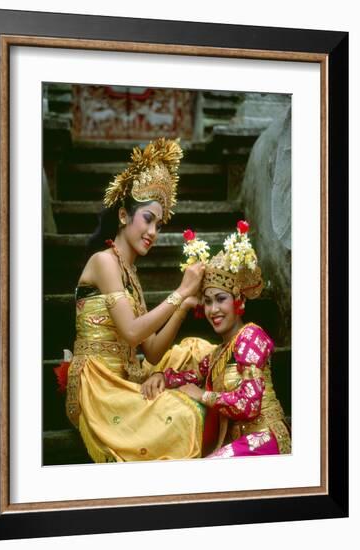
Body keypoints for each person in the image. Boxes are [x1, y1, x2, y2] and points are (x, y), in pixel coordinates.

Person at [65, 137, 212, 463]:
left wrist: (184, 305)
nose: (153, 231)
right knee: (184, 415)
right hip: (101, 384)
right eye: (148, 218)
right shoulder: (104, 261)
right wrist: (181, 292)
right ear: (123, 216)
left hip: (130, 371)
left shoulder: (130, 272)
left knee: (197, 351)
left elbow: (152, 350)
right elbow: (132, 332)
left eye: (159, 224)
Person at [144, 221, 291, 458]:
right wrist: (162, 376)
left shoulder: (251, 336)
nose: (213, 310)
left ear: (240, 301)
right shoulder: (218, 354)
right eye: (208, 301)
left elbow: (249, 404)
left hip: (265, 438)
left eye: (221, 299)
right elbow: (193, 376)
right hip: (240, 443)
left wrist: (203, 396)